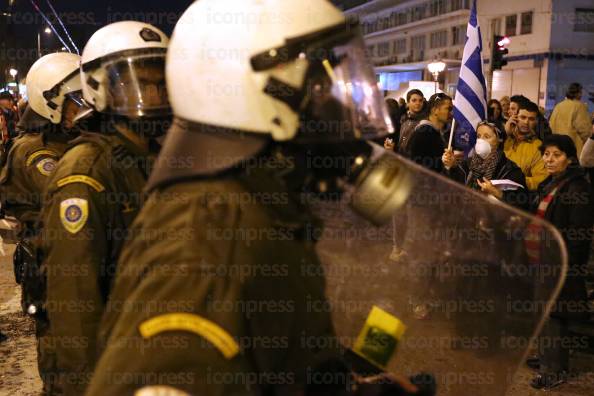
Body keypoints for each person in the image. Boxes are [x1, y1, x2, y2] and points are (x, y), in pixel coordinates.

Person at [86, 1, 431, 395]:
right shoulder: (207, 235)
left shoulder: (257, 201)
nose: (336, 107)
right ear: (257, 94)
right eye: (319, 89)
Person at [38, 21, 171, 395]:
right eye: (139, 83)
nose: (154, 95)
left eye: (160, 83)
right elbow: (74, 306)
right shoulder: (86, 173)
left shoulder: (151, 155)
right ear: (100, 86)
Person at [0, 52, 83, 393]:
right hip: (47, 264)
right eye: (76, 101)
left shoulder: (70, 142)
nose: (85, 108)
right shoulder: (35, 151)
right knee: (60, 355)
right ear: (50, 103)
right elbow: (68, 194)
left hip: (68, 259)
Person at [529, 135, 594, 390]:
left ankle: (554, 371)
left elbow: (579, 233)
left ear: (569, 158)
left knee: (554, 318)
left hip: (559, 264)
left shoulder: (578, 188)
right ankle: (546, 358)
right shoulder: (554, 182)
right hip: (544, 260)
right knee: (545, 315)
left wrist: (563, 263)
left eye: (556, 155)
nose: (549, 159)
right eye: (546, 154)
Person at [442, 121, 527, 208]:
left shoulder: (510, 170)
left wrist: (497, 193)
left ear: (499, 140)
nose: (481, 140)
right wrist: (451, 166)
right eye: (478, 136)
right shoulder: (467, 163)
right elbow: (452, 191)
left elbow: (521, 203)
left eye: (487, 136)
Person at [503, 100, 548, 190]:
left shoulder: (538, 147)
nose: (526, 122)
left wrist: (517, 181)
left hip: (517, 194)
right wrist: (505, 133)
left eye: (531, 119)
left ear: (536, 122)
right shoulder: (506, 138)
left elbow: (540, 179)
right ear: (515, 117)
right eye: (523, 117)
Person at [407, 92, 452, 173]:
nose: (451, 113)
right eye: (448, 109)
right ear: (435, 110)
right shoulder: (423, 134)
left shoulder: (438, 132)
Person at [549, 82, 592, 157]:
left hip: (557, 148)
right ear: (578, 93)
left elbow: (551, 125)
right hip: (573, 150)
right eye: (581, 92)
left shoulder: (558, 106)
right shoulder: (579, 106)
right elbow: (584, 129)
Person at [384, 89, 426, 155]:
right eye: (414, 100)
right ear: (408, 103)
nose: (418, 103)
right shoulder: (402, 119)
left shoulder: (424, 122)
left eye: (420, 100)